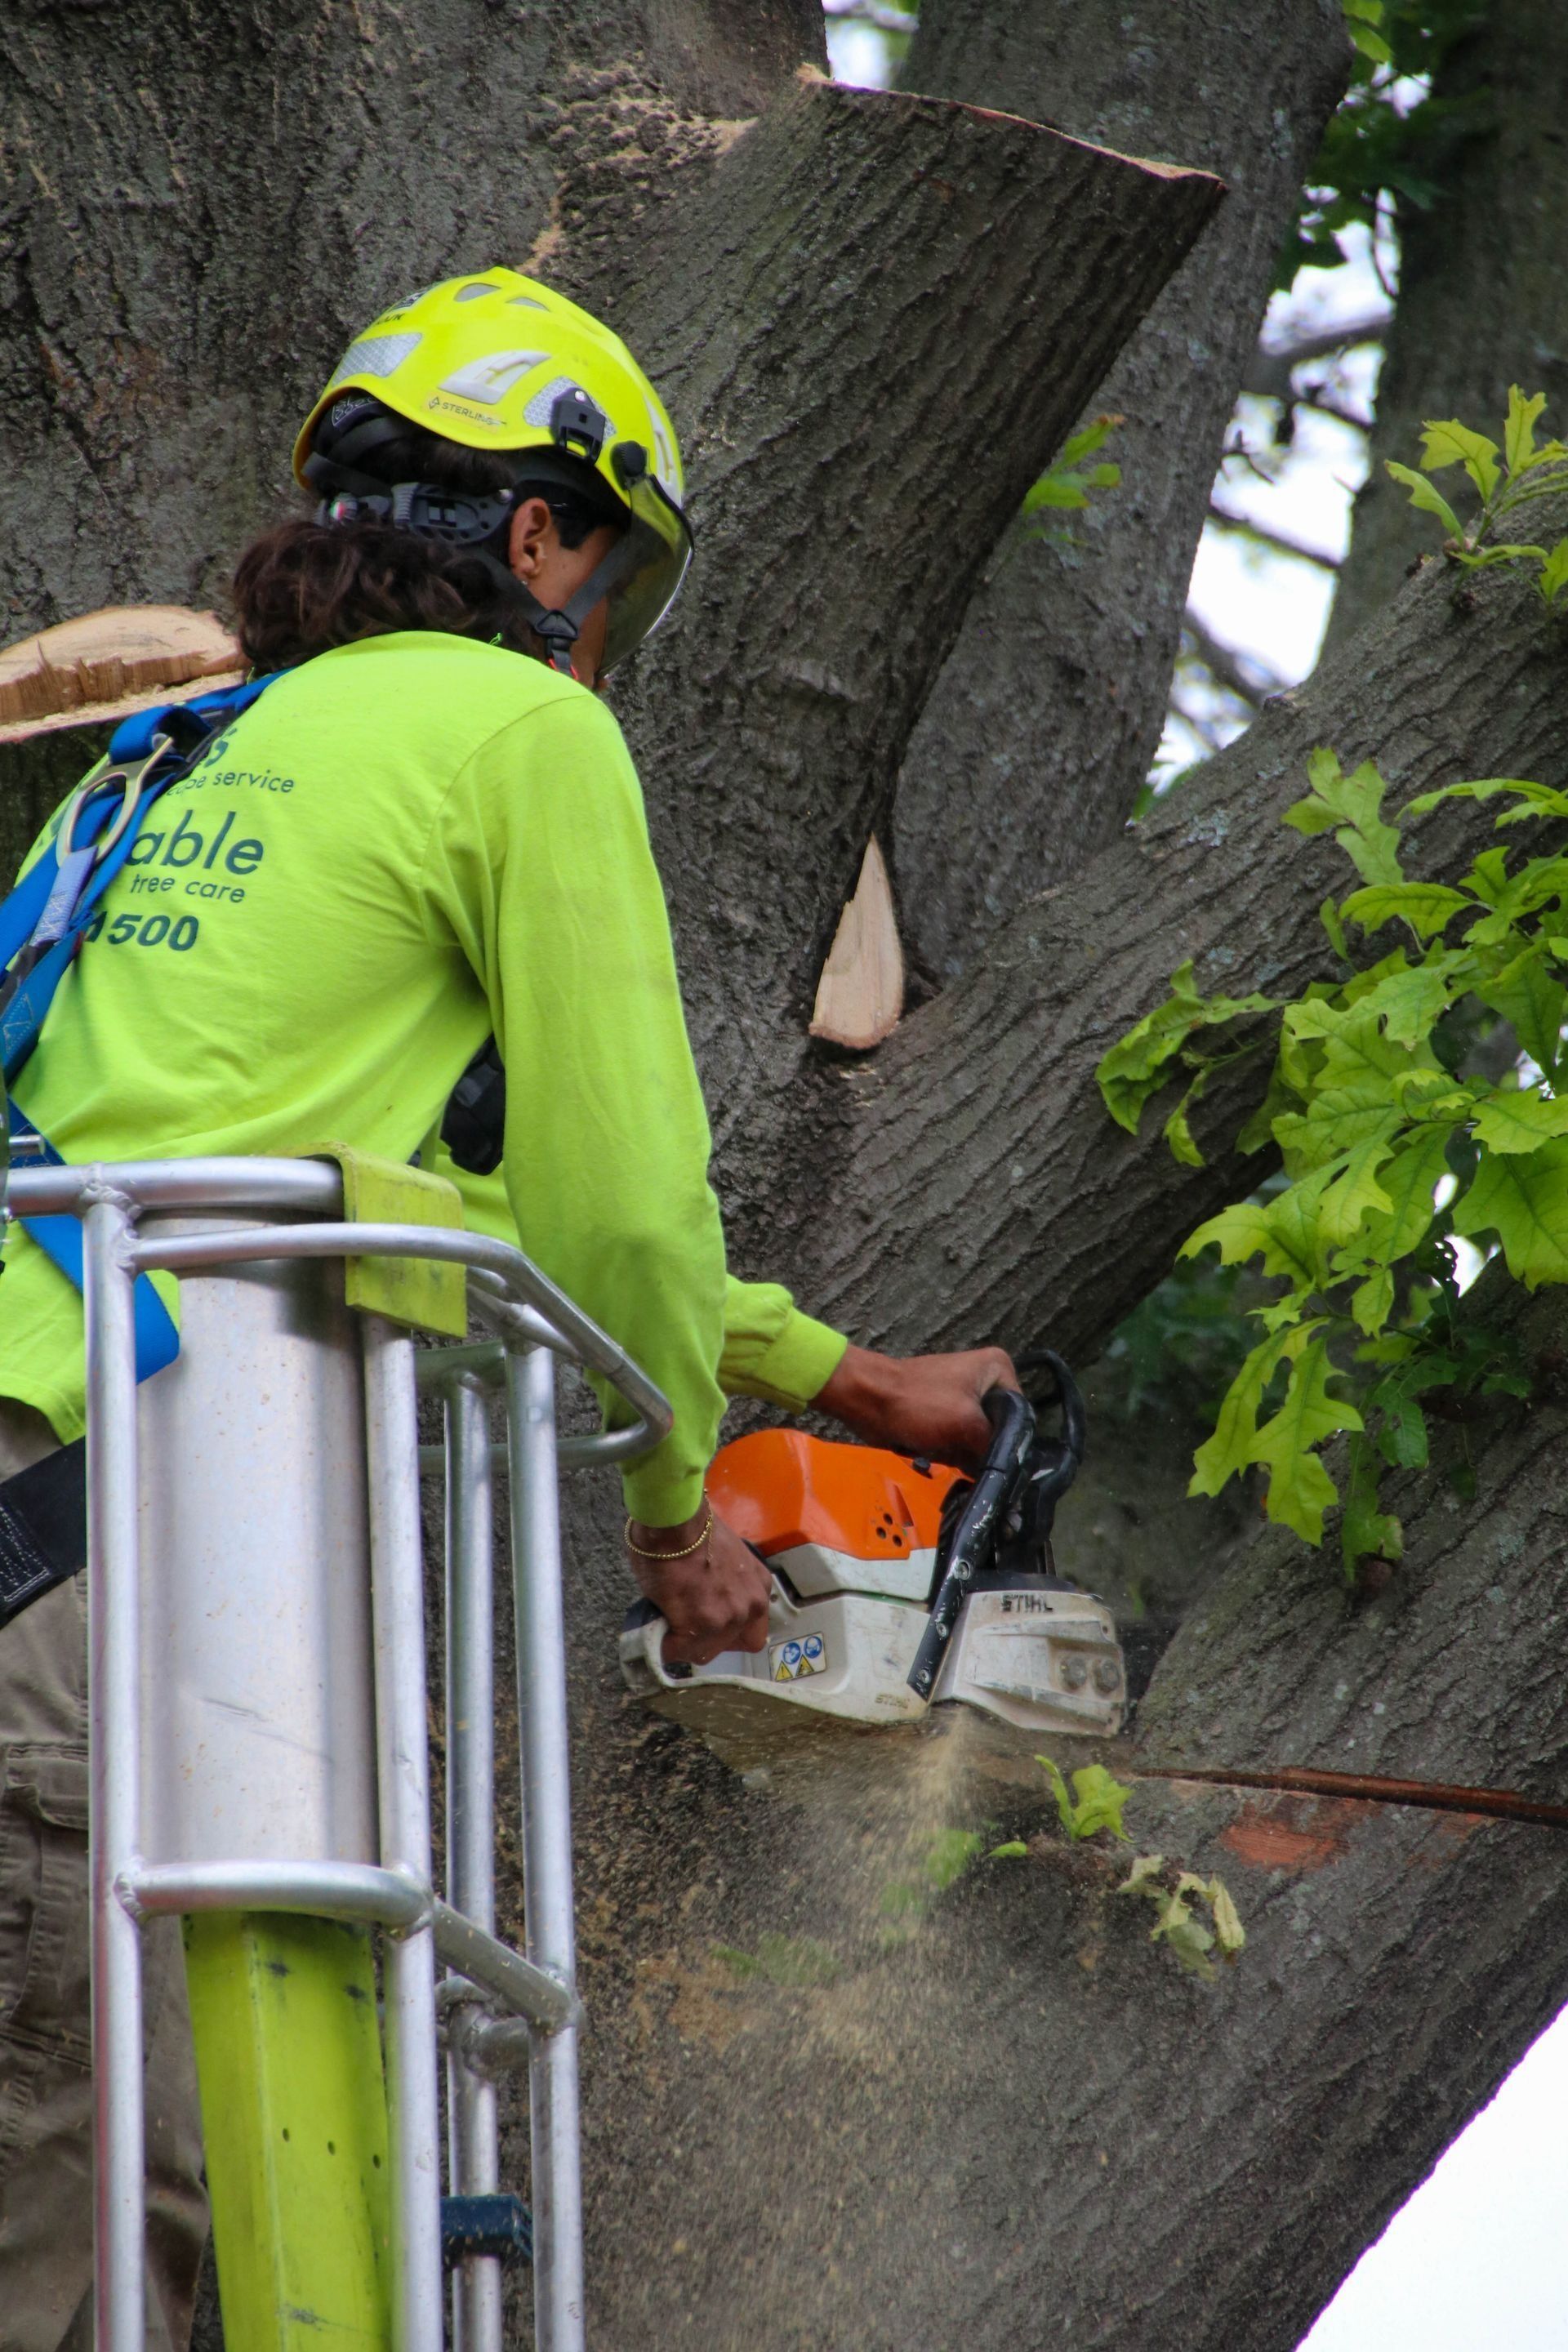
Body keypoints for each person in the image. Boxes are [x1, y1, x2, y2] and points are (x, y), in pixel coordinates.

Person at [0, 269, 1015, 2346]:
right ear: (538, 534)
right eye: (606, 566)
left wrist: (834, 1372)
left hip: (48, 1479)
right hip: (97, 1531)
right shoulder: (519, 725)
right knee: (105, 2201)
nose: (604, 619)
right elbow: (621, 1203)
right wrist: (669, 1519)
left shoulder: (198, 750)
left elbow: (416, 1171)